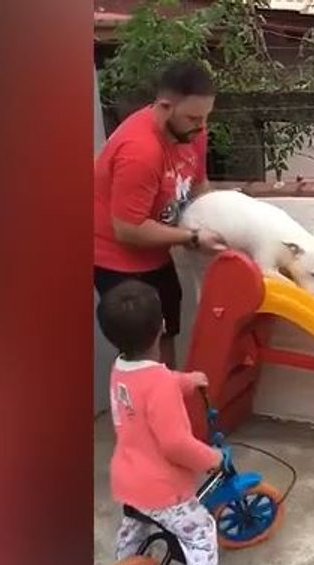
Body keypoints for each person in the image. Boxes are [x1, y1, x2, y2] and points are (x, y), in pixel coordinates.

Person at [97, 279, 252, 565]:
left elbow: (150, 386)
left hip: (128, 478)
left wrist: (187, 381)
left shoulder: (121, 367)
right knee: (200, 533)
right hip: (163, 488)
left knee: (134, 528)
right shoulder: (161, 383)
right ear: (163, 326)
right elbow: (175, 444)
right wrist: (211, 458)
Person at [94, 59, 228, 369]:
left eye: (206, 116)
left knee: (167, 330)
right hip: (117, 260)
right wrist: (192, 237)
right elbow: (128, 229)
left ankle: (165, 401)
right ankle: (139, 410)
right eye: (194, 117)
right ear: (165, 106)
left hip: (155, 252)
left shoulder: (192, 131)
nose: (201, 126)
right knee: (140, 349)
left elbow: (199, 186)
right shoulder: (140, 151)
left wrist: (215, 223)